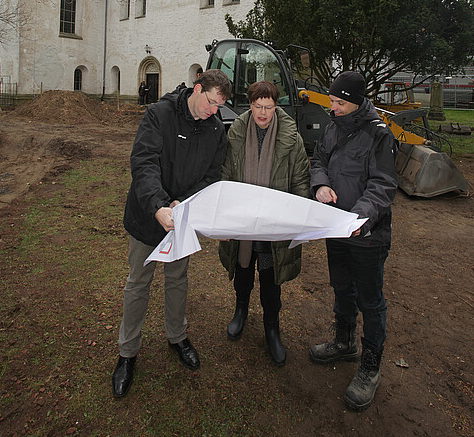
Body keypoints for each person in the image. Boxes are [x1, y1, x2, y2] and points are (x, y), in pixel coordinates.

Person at [112, 69, 232, 398]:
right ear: (197, 89)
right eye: (210, 103)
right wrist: (158, 206)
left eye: (219, 107)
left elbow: (212, 175)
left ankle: (177, 336)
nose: (214, 111)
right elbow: (144, 162)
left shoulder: (216, 130)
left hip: (182, 219)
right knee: (138, 283)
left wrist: (185, 203)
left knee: (178, 279)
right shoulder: (159, 114)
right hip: (148, 215)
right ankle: (127, 353)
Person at [309, 71, 397, 412]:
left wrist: (358, 217)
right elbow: (318, 161)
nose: (332, 107)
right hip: (335, 228)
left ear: (357, 102)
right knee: (341, 286)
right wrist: (319, 185)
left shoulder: (379, 135)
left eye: (339, 102)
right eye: (331, 101)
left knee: (371, 300)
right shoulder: (333, 128)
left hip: (366, 235)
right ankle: (344, 341)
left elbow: (383, 185)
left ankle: (371, 367)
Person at [219, 80, 310, 367]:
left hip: (274, 223)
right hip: (243, 222)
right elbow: (225, 176)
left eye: (268, 107)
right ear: (250, 104)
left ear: (276, 106)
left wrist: (297, 216)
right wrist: (225, 219)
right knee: (243, 269)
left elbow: (300, 179)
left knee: (270, 277)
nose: (262, 113)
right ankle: (241, 311)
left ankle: (272, 326)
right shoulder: (235, 132)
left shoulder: (290, 137)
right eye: (257, 106)